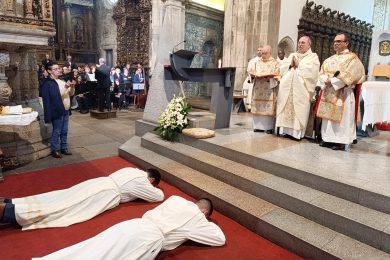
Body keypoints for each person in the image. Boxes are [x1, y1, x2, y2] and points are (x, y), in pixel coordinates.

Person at [35, 195, 225, 259]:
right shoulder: (198, 217)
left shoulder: (175, 199)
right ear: (206, 213)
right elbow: (220, 239)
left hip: (133, 224)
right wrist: (202, 219)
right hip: (147, 239)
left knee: (95, 246)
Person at [0, 168, 164, 230]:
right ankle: (9, 212)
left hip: (98, 183)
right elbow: (158, 197)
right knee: (65, 208)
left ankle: (10, 202)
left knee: (61, 196)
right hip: (105, 193)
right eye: (153, 184)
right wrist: (154, 188)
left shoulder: (132, 169)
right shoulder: (143, 181)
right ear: (152, 180)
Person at [316, 33, 365, 150]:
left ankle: (340, 141)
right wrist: (325, 80)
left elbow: (352, 75)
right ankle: (327, 139)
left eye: (339, 41)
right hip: (329, 92)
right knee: (327, 119)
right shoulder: (329, 59)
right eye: (334, 41)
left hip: (343, 94)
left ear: (346, 43)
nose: (335, 43)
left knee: (342, 120)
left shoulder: (352, 59)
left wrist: (332, 81)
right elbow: (321, 73)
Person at [276, 36, 320, 140]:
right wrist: (290, 65)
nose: (300, 45)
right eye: (299, 42)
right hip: (288, 88)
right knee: (286, 108)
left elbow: (313, 72)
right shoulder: (293, 55)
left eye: (303, 43)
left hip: (301, 90)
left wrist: (299, 64)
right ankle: (285, 131)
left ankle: (297, 134)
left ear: (309, 45)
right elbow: (282, 68)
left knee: (299, 110)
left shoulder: (313, 57)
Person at [41, 62, 75, 158]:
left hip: (66, 109)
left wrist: (72, 87)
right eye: (55, 69)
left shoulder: (62, 81)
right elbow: (56, 96)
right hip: (57, 110)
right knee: (57, 131)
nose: (58, 70)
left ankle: (64, 147)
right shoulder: (49, 83)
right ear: (49, 71)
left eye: (58, 68)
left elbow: (70, 94)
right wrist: (66, 87)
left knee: (65, 130)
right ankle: (54, 149)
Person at [249, 45, 280, 134]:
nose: (263, 55)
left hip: (268, 89)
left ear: (270, 53)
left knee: (268, 107)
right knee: (257, 106)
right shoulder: (257, 62)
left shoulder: (275, 63)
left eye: (265, 53)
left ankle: (268, 127)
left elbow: (278, 76)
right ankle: (257, 126)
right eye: (262, 53)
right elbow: (251, 72)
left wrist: (270, 77)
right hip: (258, 88)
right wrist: (252, 75)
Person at [243, 46, 262, 111]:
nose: (259, 52)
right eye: (258, 50)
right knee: (252, 94)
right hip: (254, 80)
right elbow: (248, 70)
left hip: (262, 81)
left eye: (260, 50)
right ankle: (251, 108)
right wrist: (251, 75)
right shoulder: (253, 60)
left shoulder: (265, 60)